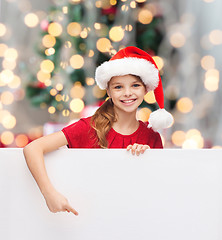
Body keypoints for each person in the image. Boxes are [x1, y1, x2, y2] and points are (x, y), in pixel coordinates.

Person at [23, 46, 173, 216]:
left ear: (145, 89)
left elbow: (154, 189)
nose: (128, 93)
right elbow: (32, 148)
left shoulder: (151, 136)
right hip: (89, 219)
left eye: (135, 85)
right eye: (118, 87)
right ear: (108, 91)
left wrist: (145, 159)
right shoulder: (88, 128)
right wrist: (49, 194)